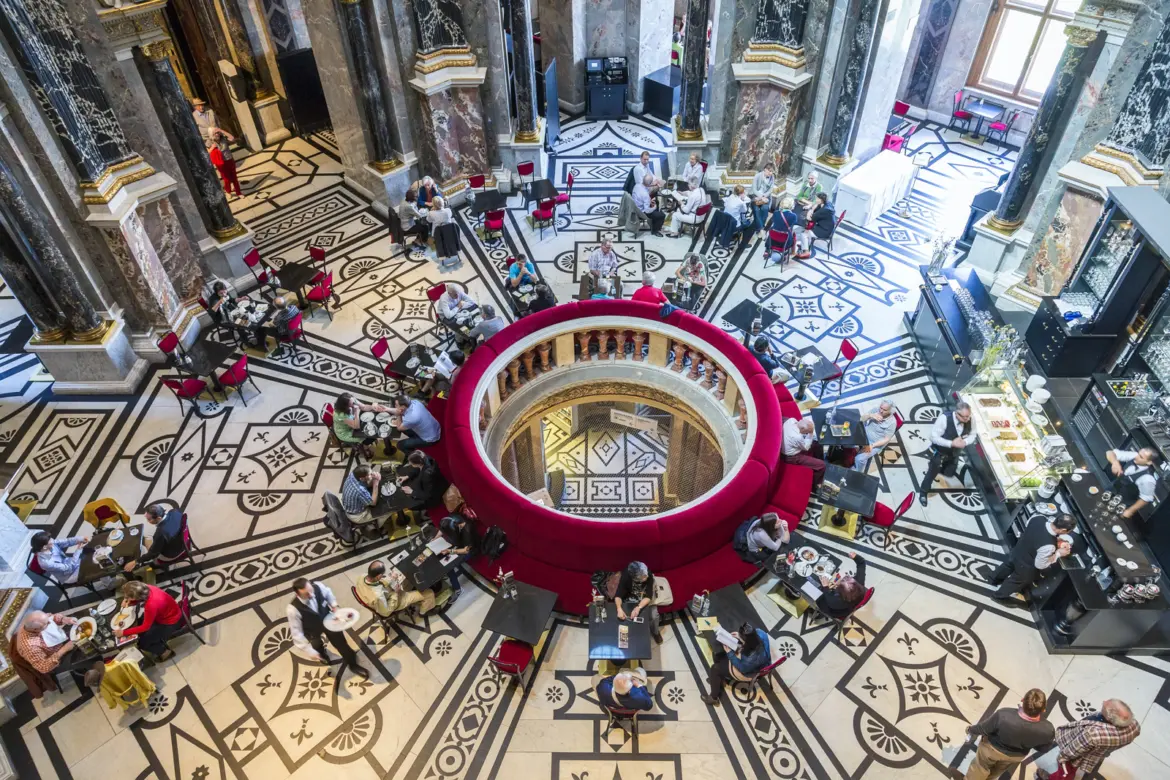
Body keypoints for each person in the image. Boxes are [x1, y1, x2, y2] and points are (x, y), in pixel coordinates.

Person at [1037, 699, 1140, 780]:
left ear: (1109, 718)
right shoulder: (1135, 726)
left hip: (1079, 755)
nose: (1104, 701)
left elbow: (1072, 751)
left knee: (1066, 770)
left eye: (1105, 705)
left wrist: (1062, 758)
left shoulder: (1092, 735)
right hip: (1097, 752)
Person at [964, 689, 1055, 780]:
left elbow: (983, 728)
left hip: (991, 750)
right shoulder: (1048, 729)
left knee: (980, 767)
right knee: (997, 770)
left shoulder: (1003, 715)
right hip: (1015, 756)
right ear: (1043, 710)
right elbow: (1043, 749)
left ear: (1023, 700)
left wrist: (970, 729)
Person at [286, 577, 369, 677]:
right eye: (306, 594)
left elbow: (328, 593)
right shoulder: (293, 609)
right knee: (316, 645)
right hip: (311, 630)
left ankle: (353, 664)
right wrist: (309, 650)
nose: (311, 595)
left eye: (311, 590)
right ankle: (322, 654)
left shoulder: (318, 586)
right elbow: (297, 633)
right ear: (297, 594)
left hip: (329, 621)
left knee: (342, 644)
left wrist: (334, 605)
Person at [990, 513, 1077, 601]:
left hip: (1018, 550)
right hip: (1025, 565)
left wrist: (1055, 539)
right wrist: (1058, 553)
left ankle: (993, 579)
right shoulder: (1049, 546)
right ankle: (998, 596)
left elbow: (1031, 530)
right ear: (1063, 530)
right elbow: (1040, 565)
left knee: (1008, 565)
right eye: (1069, 531)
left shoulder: (1038, 517)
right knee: (1016, 581)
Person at [918, 401, 976, 506]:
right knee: (931, 473)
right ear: (957, 413)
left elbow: (973, 434)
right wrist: (951, 443)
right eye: (964, 417)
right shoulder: (944, 419)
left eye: (968, 416)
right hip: (940, 453)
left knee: (949, 473)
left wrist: (965, 442)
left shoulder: (970, 419)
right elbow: (933, 437)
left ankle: (941, 468)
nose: (967, 419)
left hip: (954, 454)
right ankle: (923, 492)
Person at [700, 621, 771, 705]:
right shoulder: (760, 633)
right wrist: (740, 637)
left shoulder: (752, 659)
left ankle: (713, 697)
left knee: (715, 668)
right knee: (717, 654)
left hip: (747, 672)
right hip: (756, 662)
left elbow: (742, 668)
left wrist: (730, 653)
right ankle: (718, 679)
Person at [116, 581, 183, 660]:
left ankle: (165, 652)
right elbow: (138, 597)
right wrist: (128, 601)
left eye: (127, 596)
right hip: (169, 612)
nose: (125, 597)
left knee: (143, 644)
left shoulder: (151, 605)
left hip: (171, 621)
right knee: (140, 623)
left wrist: (123, 632)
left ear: (135, 597)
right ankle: (155, 641)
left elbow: (145, 627)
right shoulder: (146, 587)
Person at [356, 560, 437, 618]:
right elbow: (386, 612)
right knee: (429, 593)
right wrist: (396, 593)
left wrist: (390, 578)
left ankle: (412, 591)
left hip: (387, 593)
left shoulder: (362, 576)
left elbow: (378, 583)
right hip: (396, 601)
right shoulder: (378, 596)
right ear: (378, 576)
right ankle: (423, 613)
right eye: (382, 575)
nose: (383, 575)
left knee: (407, 576)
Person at [126, 503, 185, 572]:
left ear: (158, 518)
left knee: (146, 541)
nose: (147, 521)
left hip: (172, 553)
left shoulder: (161, 533)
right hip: (182, 540)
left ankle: (157, 565)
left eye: (149, 519)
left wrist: (135, 561)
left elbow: (152, 554)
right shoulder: (174, 512)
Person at [14, 611, 77, 676]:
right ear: (36, 629)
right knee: (84, 650)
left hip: (61, 641)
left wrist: (63, 619)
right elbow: (43, 667)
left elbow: (51, 617)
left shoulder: (36, 619)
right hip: (57, 659)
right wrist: (64, 649)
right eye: (47, 623)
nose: (49, 622)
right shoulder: (29, 646)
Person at [614, 561, 663, 643]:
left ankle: (655, 632)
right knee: (625, 615)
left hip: (644, 598)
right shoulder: (626, 576)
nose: (646, 577)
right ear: (634, 578)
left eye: (646, 574)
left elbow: (648, 596)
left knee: (654, 615)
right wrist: (619, 608)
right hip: (631, 596)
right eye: (643, 577)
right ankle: (632, 634)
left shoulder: (648, 574)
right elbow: (618, 595)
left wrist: (638, 607)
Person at [1105, 446, 1159, 520]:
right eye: (1138, 453)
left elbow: (1146, 498)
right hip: (1112, 490)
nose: (1136, 457)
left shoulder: (1148, 479)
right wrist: (1115, 462)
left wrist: (1130, 510)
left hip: (1123, 503)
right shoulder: (1135, 455)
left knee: (1109, 519)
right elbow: (1110, 453)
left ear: (1149, 462)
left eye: (1141, 457)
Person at [332, 392, 385, 458]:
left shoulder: (351, 400)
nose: (353, 404)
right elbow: (356, 426)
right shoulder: (340, 415)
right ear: (345, 406)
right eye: (350, 405)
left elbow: (364, 407)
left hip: (353, 423)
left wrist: (373, 407)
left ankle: (365, 444)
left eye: (353, 402)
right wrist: (356, 412)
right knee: (370, 435)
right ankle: (365, 446)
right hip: (345, 432)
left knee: (372, 428)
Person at [815, 552, 866, 619]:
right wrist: (855, 557)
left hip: (837, 611)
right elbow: (861, 563)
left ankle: (816, 611)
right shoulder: (859, 582)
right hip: (853, 604)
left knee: (818, 599)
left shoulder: (835, 601)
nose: (841, 579)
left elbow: (828, 598)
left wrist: (825, 586)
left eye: (840, 584)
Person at [852, 401, 897, 474]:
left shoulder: (892, 422)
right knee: (847, 442)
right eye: (881, 408)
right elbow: (861, 419)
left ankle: (858, 472)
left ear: (890, 411)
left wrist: (872, 446)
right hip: (864, 434)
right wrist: (870, 415)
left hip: (874, 443)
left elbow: (886, 439)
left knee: (859, 459)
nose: (881, 411)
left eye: (884, 410)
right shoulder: (876, 410)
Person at [439, 513, 475, 603]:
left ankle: (458, 590)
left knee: (448, 566)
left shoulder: (467, 532)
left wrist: (449, 551)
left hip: (468, 550)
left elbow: (466, 550)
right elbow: (442, 529)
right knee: (439, 555)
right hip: (458, 544)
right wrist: (435, 538)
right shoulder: (452, 519)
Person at [783, 417, 825, 482]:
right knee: (822, 465)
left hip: (789, 446)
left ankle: (818, 459)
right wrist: (810, 433)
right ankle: (815, 484)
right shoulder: (797, 437)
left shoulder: (791, 420)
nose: (806, 433)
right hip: (791, 457)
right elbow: (806, 448)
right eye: (806, 432)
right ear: (802, 428)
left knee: (817, 444)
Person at [796, 193, 835, 258]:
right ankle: (805, 245)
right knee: (807, 230)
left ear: (821, 200)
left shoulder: (824, 210)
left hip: (824, 231)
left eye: (817, 198)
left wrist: (812, 209)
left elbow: (810, 218)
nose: (815, 199)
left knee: (804, 234)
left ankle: (806, 252)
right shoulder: (828, 204)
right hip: (828, 227)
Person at [209, 131, 241, 199]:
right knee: (226, 179)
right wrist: (212, 148)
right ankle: (228, 191)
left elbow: (232, 138)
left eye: (217, 133)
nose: (217, 134)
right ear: (211, 135)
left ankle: (239, 193)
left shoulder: (223, 139)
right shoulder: (210, 142)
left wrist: (221, 130)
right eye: (215, 133)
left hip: (229, 160)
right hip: (221, 163)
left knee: (234, 177)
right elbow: (207, 152)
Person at [399, 188, 429, 252]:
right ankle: (421, 241)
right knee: (425, 226)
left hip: (405, 222)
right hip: (408, 227)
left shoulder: (404, 200)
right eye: (416, 197)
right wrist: (427, 212)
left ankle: (418, 239)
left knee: (421, 223)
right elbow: (419, 215)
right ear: (411, 198)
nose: (417, 197)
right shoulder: (408, 206)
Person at [750, 163, 776, 235]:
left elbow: (771, 190)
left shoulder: (772, 177)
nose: (771, 173)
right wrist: (761, 197)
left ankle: (759, 228)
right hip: (755, 196)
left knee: (765, 209)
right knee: (756, 210)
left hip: (766, 197)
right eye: (770, 171)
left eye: (772, 172)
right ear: (765, 169)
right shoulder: (757, 176)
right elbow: (754, 189)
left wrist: (764, 196)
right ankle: (761, 229)